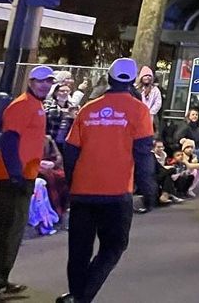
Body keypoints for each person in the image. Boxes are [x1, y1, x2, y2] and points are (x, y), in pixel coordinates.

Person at [58, 58, 154, 303]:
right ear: (132, 81)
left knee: (79, 250)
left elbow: (70, 151)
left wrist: (72, 183)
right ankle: (81, 297)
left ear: (109, 79)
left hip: (82, 191)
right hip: (116, 192)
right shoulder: (139, 110)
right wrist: (148, 189)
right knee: (113, 246)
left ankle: (76, 294)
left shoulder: (88, 109)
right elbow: (143, 153)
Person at [0, 64, 56, 299]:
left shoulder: (35, 105)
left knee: (12, 230)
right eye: (41, 80)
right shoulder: (22, 105)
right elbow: (10, 141)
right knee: (3, 229)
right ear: (31, 82)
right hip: (13, 177)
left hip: (24, 175)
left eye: (49, 81)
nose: (45, 84)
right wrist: (15, 174)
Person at [45, 82, 79, 147]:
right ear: (55, 93)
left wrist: (74, 116)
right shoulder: (48, 104)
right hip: (50, 141)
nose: (65, 93)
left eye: (67, 91)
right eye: (62, 91)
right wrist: (61, 112)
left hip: (66, 144)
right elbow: (46, 114)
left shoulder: (72, 107)